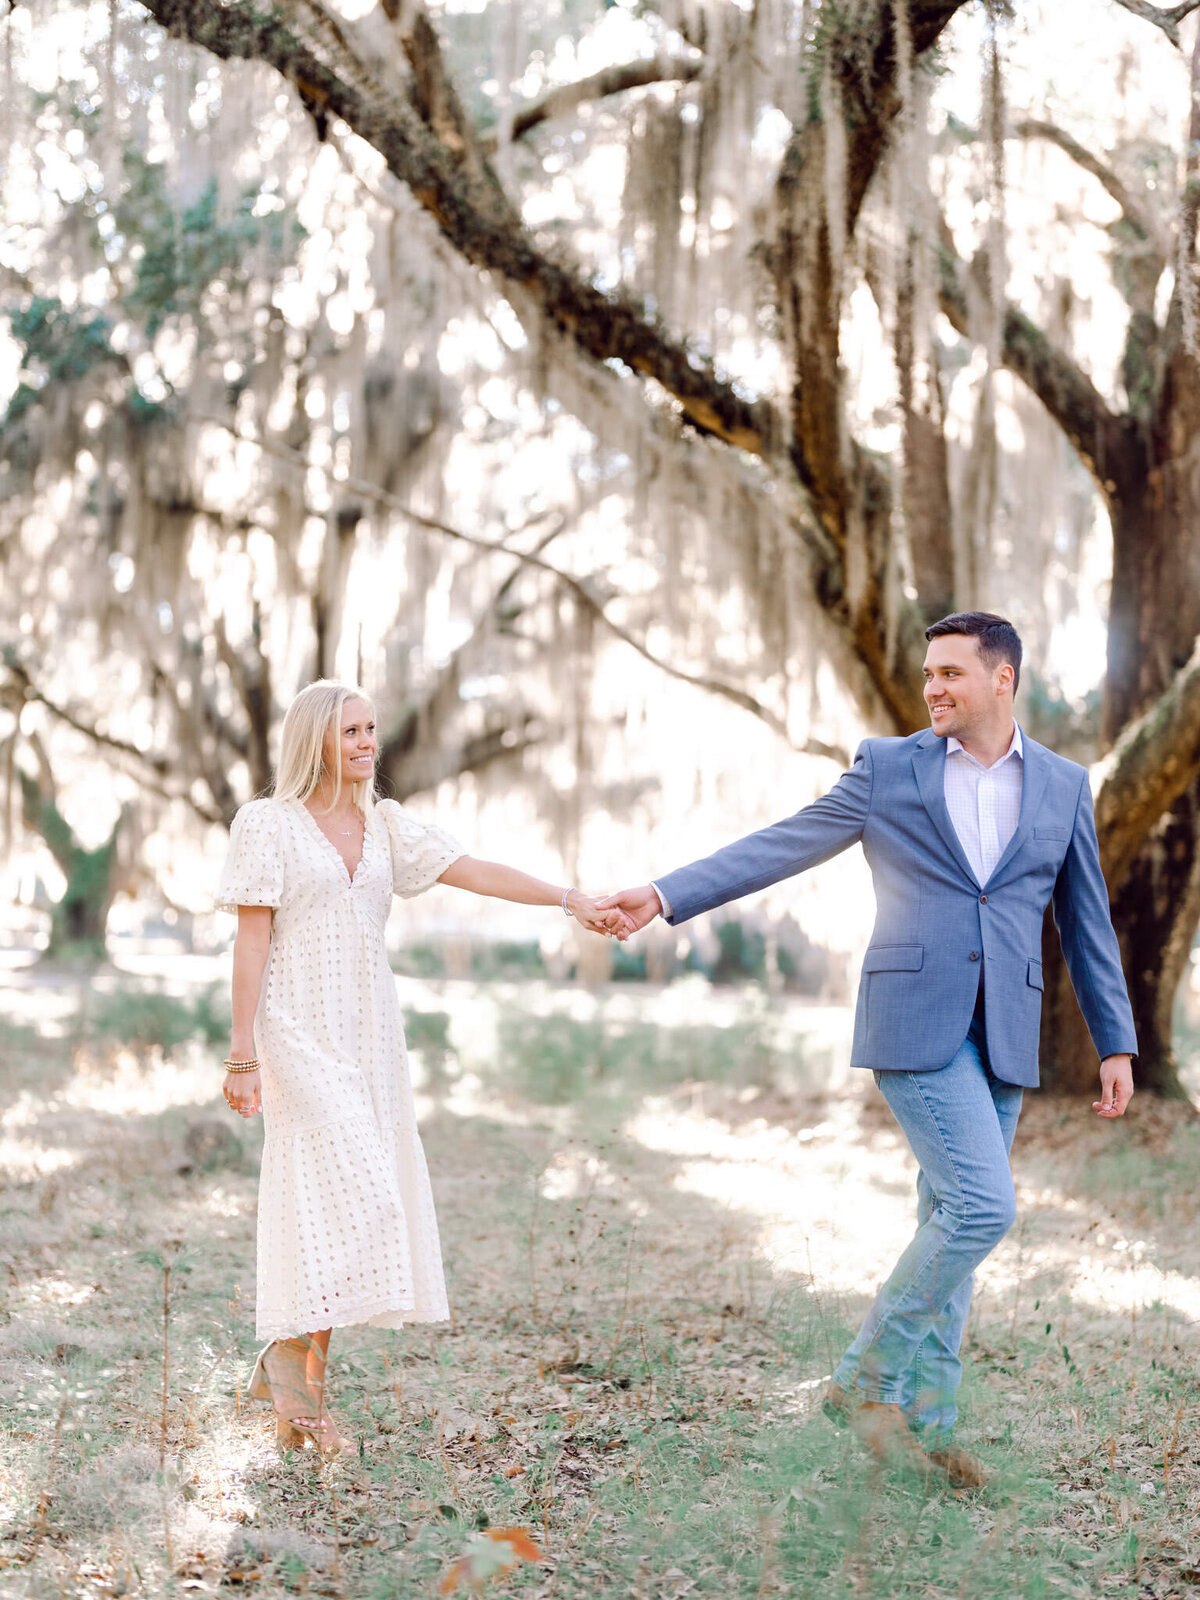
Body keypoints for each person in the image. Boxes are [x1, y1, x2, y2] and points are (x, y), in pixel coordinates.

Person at [597, 612, 1136, 1489]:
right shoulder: (890, 769)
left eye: (952, 674)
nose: (933, 688)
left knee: (948, 1223)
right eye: (929, 673)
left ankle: (925, 1427)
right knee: (982, 1209)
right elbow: (784, 844)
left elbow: (1088, 921)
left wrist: (1115, 1039)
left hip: (1004, 1032)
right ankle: (863, 1381)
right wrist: (663, 894)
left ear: (1004, 680)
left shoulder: (1064, 786)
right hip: (914, 1021)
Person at [217, 679, 627, 1454]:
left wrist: (568, 898)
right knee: (358, 1193)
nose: (368, 744)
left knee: (334, 1213)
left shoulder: (386, 826)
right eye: (351, 733)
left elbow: (473, 869)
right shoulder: (266, 824)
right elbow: (251, 942)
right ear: (315, 742)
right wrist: (242, 1055)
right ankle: (289, 1372)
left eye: (372, 730)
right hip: (297, 1029)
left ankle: (295, 1399)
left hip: (370, 1034)